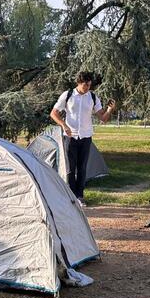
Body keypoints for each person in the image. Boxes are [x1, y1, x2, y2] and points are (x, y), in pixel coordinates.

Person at [50, 71, 115, 206]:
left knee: (82, 167)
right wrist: (63, 125)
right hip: (70, 136)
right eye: (85, 85)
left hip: (86, 136)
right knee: (70, 168)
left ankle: (80, 196)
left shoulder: (92, 97)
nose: (87, 88)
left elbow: (102, 118)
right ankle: (70, 196)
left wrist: (109, 110)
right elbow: (54, 113)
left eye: (89, 85)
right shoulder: (67, 95)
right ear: (79, 83)